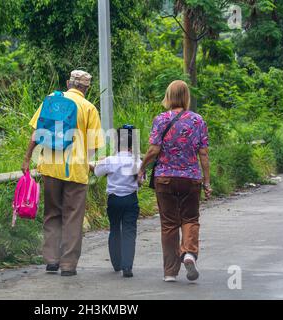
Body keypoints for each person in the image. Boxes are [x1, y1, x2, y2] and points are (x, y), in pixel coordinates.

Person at [22, 70, 104, 277]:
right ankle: (68, 265)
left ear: (68, 83)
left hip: (49, 166)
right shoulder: (89, 108)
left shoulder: (50, 101)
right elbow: (94, 147)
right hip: (76, 170)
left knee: (52, 213)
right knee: (73, 217)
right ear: (86, 88)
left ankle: (51, 260)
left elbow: (36, 133)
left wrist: (26, 159)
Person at [138, 80, 212, 283]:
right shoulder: (198, 120)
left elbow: (154, 150)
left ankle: (170, 272)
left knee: (169, 224)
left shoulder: (161, 119)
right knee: (190, 218)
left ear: (169, 96)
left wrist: (142, 168)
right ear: (186, 96)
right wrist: (207, 182)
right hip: (190, 179)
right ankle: (188, 253)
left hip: (165, 178)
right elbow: (203, 154)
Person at [91, 125, 142, 278]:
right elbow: (141, 181)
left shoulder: (110, 160)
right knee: (129, 231)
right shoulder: (137, 162)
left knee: (114, 229)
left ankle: (116, 263)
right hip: (131, 200)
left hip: (113, 200)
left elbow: (97, 172)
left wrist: (96, 164)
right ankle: (127, 267)